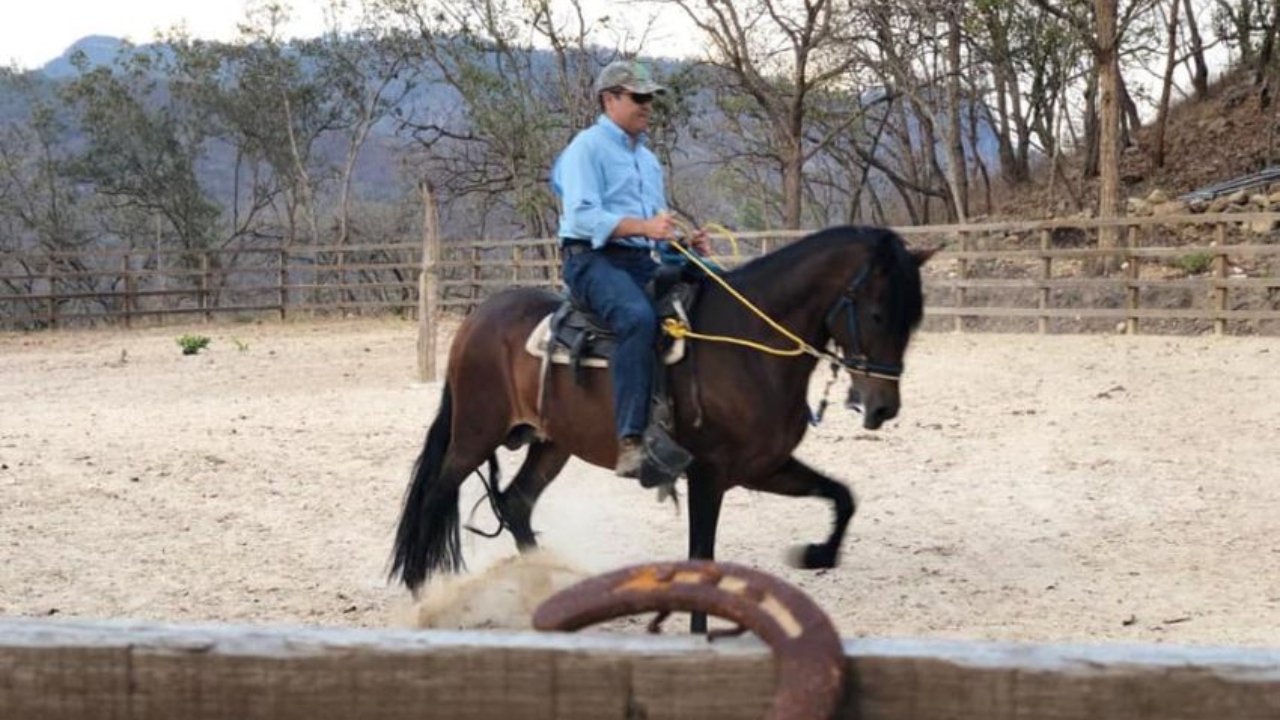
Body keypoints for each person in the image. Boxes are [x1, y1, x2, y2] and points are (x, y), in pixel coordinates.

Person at [551, 59, 709, 480]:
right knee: (637, 317)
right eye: (638, 97)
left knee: (710, 290)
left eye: (649, 98)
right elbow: (582, 217)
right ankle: (632, 441)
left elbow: (656, 229)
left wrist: (683, 245)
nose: (647, 106)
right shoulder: (586, 148)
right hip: (591, 260)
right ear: (609, 100)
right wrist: (644, 228)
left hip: (639, 260)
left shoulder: (649, 161)